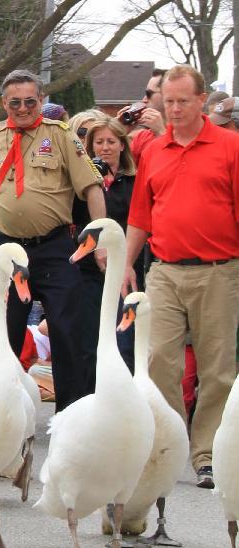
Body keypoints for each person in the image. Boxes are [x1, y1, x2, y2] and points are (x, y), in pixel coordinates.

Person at [124, 64, 239, 489]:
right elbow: (140, 213)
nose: (173, 109)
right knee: (158, 361)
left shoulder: (230, 146)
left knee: (218, 368)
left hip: (220, 271)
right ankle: (169, 445)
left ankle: (206, 452)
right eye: (168, 101)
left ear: (201, 100)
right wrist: (124, 267)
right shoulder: (153, 150)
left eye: (182, 102)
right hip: (165, 270)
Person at [0, 69, 106, 412]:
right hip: (7, 250)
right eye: (15, 102)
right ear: (4, 103)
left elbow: (91, 188)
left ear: (40, 100)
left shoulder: (60, 136)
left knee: (66, 332)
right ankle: (0, 412)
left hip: (54, 247)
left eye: (30, 101)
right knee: (2, 333)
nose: (23, 108)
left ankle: (71, 415)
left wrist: (100, 239)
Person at [74, 116, 140, 390]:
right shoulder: (84, 182)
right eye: (98, 142)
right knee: (90, 341)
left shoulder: (133, 182)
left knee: (123, 339)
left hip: (124, 270)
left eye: (111, 141)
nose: (105, 147)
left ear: (122, 146)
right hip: (89, 271)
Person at [126, 68, 168, 164]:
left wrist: (161, 134)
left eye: (149, 94)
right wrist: (119, 132)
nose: (144, 99)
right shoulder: (142, 137)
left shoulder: (187, 134)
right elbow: (118, 170)